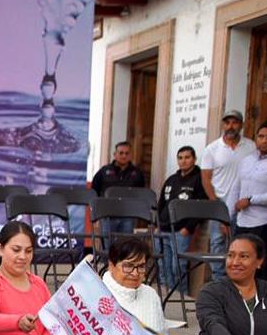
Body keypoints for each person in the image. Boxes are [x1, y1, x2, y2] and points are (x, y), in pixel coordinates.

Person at [201, 109, 257, 278]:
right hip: (219, 200)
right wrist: (216, 205)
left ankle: (238, 279)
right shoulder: (212, 148)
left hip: (243, 203)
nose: (230, 126)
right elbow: (206, 179)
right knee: (217, 241)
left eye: (235, 122)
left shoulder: (251, 147)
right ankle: (219, 279)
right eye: (227, 122)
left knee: (242, 242)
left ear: (241, 125)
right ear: (223, 125)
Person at [230, 120, 267, 282]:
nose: (264, 140)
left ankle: (263, 297)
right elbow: (236, 186)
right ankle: (239, 296)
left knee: (259, 266)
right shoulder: (248, 160)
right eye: (260, 136)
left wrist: (252, 200)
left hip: (263, 222)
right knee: (238, 264)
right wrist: (228, 215)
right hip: (242, 221)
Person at [156, 146, 208, 294]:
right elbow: (161, 204)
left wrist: (189, 228)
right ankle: (167, 295)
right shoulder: (171, 179)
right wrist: (157, 224)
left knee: (177, 267)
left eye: (187, 157)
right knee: (163, 265)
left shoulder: (199, 180)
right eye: (180, 158)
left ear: (194, 159)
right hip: (163, 229)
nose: (183, 161)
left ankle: (181, 297)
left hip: (181, 231)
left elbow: (201, 206)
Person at [91, 141, 146, 235]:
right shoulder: (104, 171)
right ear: (115, 154)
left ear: (131, 155)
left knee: (125, 242)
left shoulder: (137, 173)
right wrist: (96, 213)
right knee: (107, 243)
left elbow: (141, 194)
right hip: (107, 214)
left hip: (128, 216)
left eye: (127, 153)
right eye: (121, 153)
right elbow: (94, 191)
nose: (124, 156)